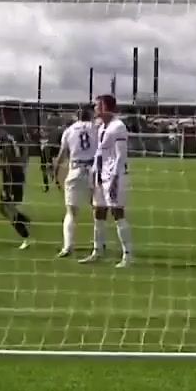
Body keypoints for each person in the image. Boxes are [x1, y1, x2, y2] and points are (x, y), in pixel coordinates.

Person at [79, 95, 134, 268]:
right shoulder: (102, 127)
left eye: (97, 105)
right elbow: (100, 152)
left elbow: (121, 155)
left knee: (117, 213)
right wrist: (95, 171)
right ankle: (98, 250)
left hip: (114, 176)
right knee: (98, 211)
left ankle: (128, 254)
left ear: (105, 107)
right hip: (101, 175)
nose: (94, 109)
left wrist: (115, 178)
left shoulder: (118, 127)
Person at [54, 107, 98, 257]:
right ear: (91, 115)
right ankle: (99, 245)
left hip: (75, 169)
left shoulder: (69, 130)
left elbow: (61, 155)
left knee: (71, 211)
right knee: (97, 209)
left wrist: (55, 174)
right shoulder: (97, 127)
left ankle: (68, 246)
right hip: (94, 169)